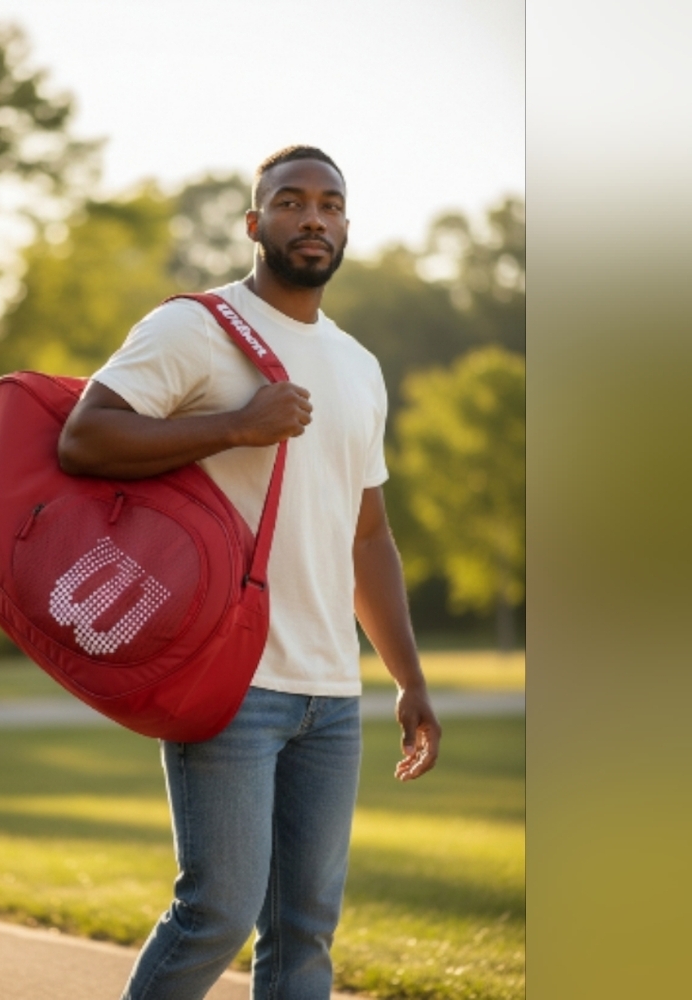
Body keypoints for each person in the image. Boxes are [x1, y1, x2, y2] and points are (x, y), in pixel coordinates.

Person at [58, 145, 441, 1000]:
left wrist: (408, 679)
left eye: (330, 205)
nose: (313, 218)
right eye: (291, 201)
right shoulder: (194, 328)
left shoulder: (359, 366)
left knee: (305, 932)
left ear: (346, 227)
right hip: (230, 678)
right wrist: (235, 425)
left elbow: (368, 536)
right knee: (217, 914)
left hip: (331, 695)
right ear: (253, 223)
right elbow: (85, 437)